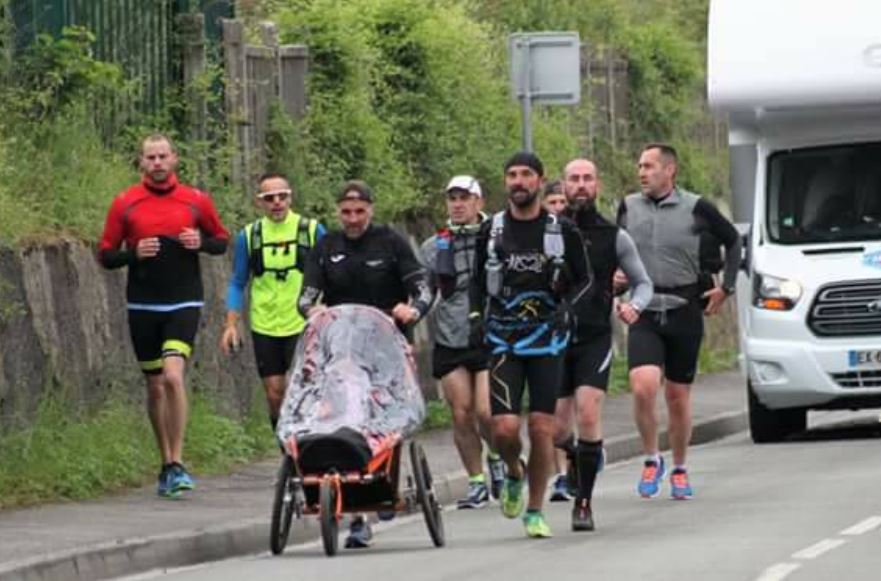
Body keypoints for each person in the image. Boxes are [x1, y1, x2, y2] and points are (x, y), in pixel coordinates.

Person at [298, 179, 432, 548]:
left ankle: (386, 478)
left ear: (371, 210)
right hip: (342, 352)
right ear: (338, 213)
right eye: (346, 212)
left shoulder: (390, 242)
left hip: (388, 346)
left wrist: (413, 309)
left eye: (359, 212)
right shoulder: (326, 247)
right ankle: (357, 515)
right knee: (346, 418)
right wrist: (313, 309)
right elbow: (306, 295)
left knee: (384, 417)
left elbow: (422, 285)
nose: (353, 219)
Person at [97, 133, 229, 498]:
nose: (157, 163)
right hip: (142, 304)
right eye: (150, 157)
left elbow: (221, 241)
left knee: (173, 376)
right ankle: (165, 461)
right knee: (155, 385)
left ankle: (178, 462)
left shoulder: (196, 200)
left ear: (175, 159)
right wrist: (134, 253)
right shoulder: (125, 204)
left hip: (184, 301)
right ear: (141, 162)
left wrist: (199, 243)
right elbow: (106, 255)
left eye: (163, 156)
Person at [470, 152, 592, 538]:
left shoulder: (562, 231)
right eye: (511, 175)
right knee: (504, 428)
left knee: (542, 428)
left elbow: (586, 280)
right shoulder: (491, 231)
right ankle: (512, 471)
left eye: (525, 175)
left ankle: (535, 511)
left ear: (540, 181)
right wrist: (475, 320)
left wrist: (567, 309)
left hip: (547, 341)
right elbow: (474, 282)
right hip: (502, 339)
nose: (518, 182)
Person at [616, 143, 741, 500]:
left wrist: (726, 288)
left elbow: (733, 242)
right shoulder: (628, 206)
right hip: (644, 308)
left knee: (676, 395)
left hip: (685, 307)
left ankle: (681, 467)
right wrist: (615, 277)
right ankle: (652, 457)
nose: (642, 172)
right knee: (642, 385)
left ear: (670, 170)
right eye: (639, 165)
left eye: (650, 166)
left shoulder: (697, 207)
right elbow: (613, 247)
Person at [552, 158, 653, 531]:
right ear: (563, 186)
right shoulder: (550, 234)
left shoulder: (615, 237)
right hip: (553, 340)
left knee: (588, 413)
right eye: (574, 179)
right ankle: (578, 456)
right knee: (555, 430)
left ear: (597, 185)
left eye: (587, 179)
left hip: (594, 336)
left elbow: (643, 282)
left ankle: (583, 503)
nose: (580, 185)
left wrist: (634, 306)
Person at [419, 175, 505, 510]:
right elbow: (423, 290)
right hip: (450, 337)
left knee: (486, 411)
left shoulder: (497, 238)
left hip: (490, 335)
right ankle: (476, 481)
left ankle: (497, 456)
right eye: (452, 198)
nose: (457, 204)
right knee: (460, 414)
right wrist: (412, 311)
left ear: (479, 203)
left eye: (464, 198)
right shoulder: (434, 246)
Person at [220, 173, 325, 432]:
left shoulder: (311, 231)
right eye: (269, 198)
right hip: (265, 324)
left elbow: (332, 272)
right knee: (274, 392)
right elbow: (237, 282)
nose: (276, 202)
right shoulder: (250, 236)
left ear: (291, 197)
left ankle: (310, 440)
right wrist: (231, 324)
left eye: (282, 196)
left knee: (303, 387)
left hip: (303, 322)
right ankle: (286, 446)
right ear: (260, 203)